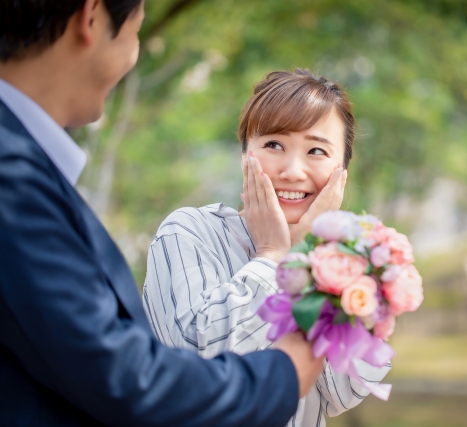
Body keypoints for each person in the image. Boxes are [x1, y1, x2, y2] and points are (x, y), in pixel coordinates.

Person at [0, 2, 325, 426]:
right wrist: (282, 373)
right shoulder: (13, 176)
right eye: (137, 31)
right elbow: (122, 373)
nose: (135, 53)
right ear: (92, 17)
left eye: (317, 149)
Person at [143, 69, 391, 427]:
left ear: (342, 172)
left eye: (316, 150)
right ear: (246, 154)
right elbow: (198, 354)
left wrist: (315, 255)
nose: (292, 171)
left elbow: (342, 393)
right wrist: (276, 256)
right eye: (274, 144)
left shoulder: (343, 260)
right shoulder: (189, 231)